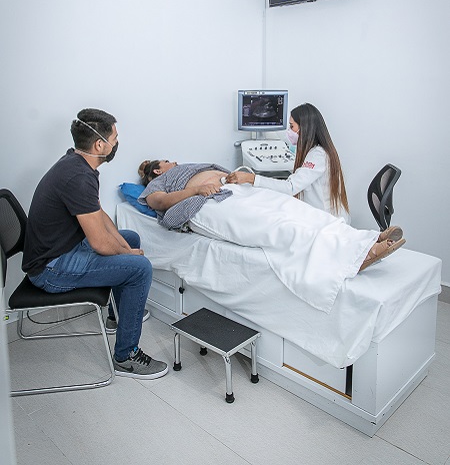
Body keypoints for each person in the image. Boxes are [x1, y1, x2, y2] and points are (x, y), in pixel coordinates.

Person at [22, 109, 168, 380]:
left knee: (130, 239)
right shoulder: (78, 177)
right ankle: (126, 357)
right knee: (140, 268)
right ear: (100, 145)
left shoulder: (76, 162)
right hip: (50, 268)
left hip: (60, 251)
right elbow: (100, 243)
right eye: (115, 138)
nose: (117, 143)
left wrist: (126, 248)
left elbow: (98, 214)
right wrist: (130, 255)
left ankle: (119, 316)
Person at [137, 159, 405, 273]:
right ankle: (355, 259)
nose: (174, 162)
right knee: (279, 225)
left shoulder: (193, 165)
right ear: (158, 170)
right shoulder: (161, 182)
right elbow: (159, 203)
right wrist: (197, 189)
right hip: (207, 202)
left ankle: (364, 239)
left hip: (237, 190)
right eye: (167, 161)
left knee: (298, 210)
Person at [227, 103, 349, 223]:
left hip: (329, 220)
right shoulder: (312, 152)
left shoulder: (318, 155)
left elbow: (290, 187)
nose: (289, 131)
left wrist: (251, 178)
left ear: (305, 128)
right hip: (319, 216)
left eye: (292, 126)